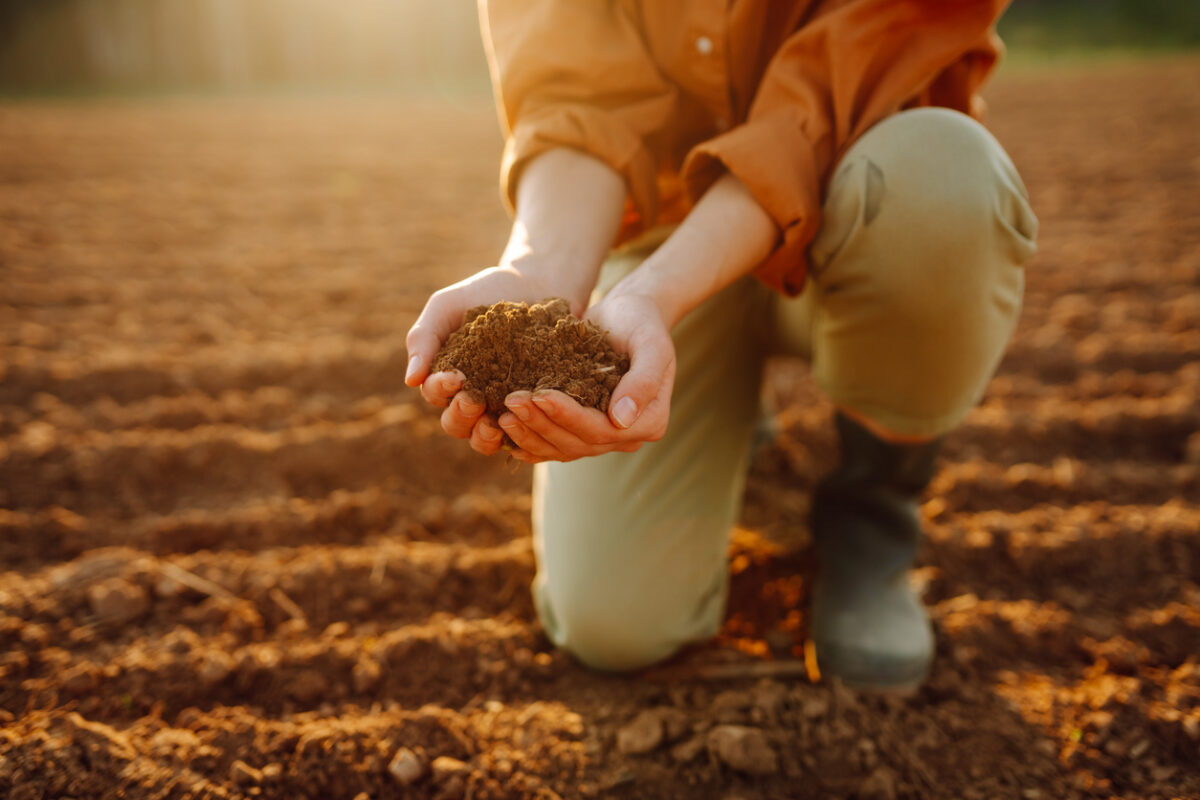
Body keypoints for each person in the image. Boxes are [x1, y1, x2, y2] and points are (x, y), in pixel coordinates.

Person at [405, 0, 1037, 692]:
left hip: (853, 211)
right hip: (660, 243)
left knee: (944, 181)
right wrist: (542, 270)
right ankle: (745, 443)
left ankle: (871, 518)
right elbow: (574, 98)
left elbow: (826, 99)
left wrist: (656, 292)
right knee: (616, 626)